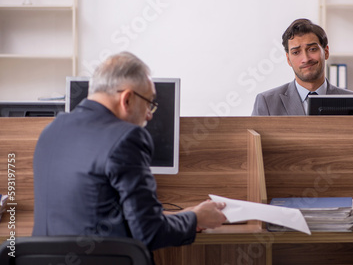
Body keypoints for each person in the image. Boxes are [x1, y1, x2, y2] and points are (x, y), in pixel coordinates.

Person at [32, 51, 227, 253]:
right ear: (127, 99)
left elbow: (93, 217)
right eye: (149, 103)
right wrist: (196, 218)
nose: (150, 115)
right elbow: (149, 234)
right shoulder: (127, 137)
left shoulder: (51, 131)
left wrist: (179, 216)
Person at [252, 18, 353, 116]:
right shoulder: (267, 103)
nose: (306, 59)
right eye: (296, 52)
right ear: (288, 59)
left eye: (312, 49)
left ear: (326, 52)